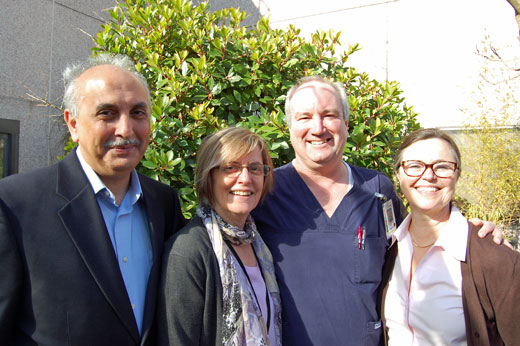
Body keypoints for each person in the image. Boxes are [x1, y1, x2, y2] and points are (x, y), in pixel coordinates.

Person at [251, 75, 501, 345]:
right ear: (289, 127)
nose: (318, 127)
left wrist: (475, 236)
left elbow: (416, 244)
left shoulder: (377, 190)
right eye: (304, 117)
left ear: (346, 125)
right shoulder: (266, 193)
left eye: (329, 115)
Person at [0, 54, 185, 346]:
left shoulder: (164, 203)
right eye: (107, 113)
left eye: (138, 112)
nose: (125, 129)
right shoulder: (15, 205)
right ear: (73, 124)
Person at [378, 128, 520, 346]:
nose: (428, 176)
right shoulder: (389, 249)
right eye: (414, 166)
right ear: (398, 175)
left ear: (457, 174)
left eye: (442, 167)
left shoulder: (497, 259)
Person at [157, 127, 282, 346]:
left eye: (254, 168)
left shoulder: (259, 243)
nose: (245, 178)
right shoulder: (188, 251)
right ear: (209, 176)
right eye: (230, 167)